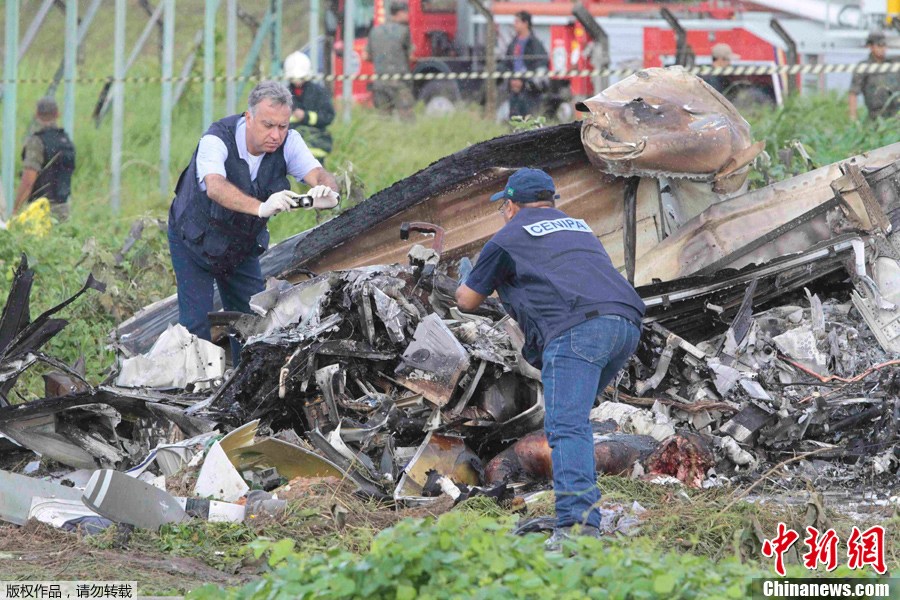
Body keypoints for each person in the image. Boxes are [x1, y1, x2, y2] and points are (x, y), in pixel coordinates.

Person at [455, 168, 645, 549]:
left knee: (566, 427)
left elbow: (465, 300)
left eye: (503, 207)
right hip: (625, 324)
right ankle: (581, 508)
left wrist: (475, 275)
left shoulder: (507, 237)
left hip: (577, 331)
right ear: (550, 201)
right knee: (574, 421)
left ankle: (577, 529)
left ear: (510, 206)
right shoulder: (579, 229)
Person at [167, 81, 340, 362]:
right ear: (248, 118)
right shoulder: (216, 139)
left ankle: (240, 389)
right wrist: (261, 208)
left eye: (282, 127)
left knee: (254, 324)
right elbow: (214, 186)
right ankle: (193, 395)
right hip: (193, 241)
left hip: (240, 247)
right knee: (195, 325)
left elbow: (319, 173)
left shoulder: (290, 142)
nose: (276, 135)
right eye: (267, 125)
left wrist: (327, 190)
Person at [14, 97, 76, 220]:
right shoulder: (66, 141)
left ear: (37, 114)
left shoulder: (36, 141)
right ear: (57, 114)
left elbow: (28, 180)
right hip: (64, 208)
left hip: (40, 209)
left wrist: (15, 209)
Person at [363, 1, 415, 120]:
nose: (408, 15)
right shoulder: (404, 31)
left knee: (384, 118)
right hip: (400, 82)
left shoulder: (375, 31)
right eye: (407, 12)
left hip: (380, 82)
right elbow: (411, 57)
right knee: (407, 118)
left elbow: (366, 56)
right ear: (400, 13)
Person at [284, 51, 336, 165]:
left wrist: (305, 116)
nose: (297, 81)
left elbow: (328, 116)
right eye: (293, 78)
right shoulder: (284, 94)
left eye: (300, 78)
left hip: (316, 143)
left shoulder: (319, 92)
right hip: (291, 145)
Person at [503, 11, 548, 118]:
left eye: (517, 21)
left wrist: (524, 81)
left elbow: (539, 67)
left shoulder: (535, 45)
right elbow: (507, 64)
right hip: (514, 90)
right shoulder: (513, 44)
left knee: (529, 121)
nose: (515, 24)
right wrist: (511, 80)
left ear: (525, 23)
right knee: (514, 121)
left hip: (529, 92)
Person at [849, 31, 899, 121]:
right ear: (870, 47)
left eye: (884, 45)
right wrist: (853, 117)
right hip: (875, 117)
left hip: (896, 115)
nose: (883, 49)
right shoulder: (864, 67)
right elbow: (853, 92)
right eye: (879, 46)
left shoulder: (894, 63)